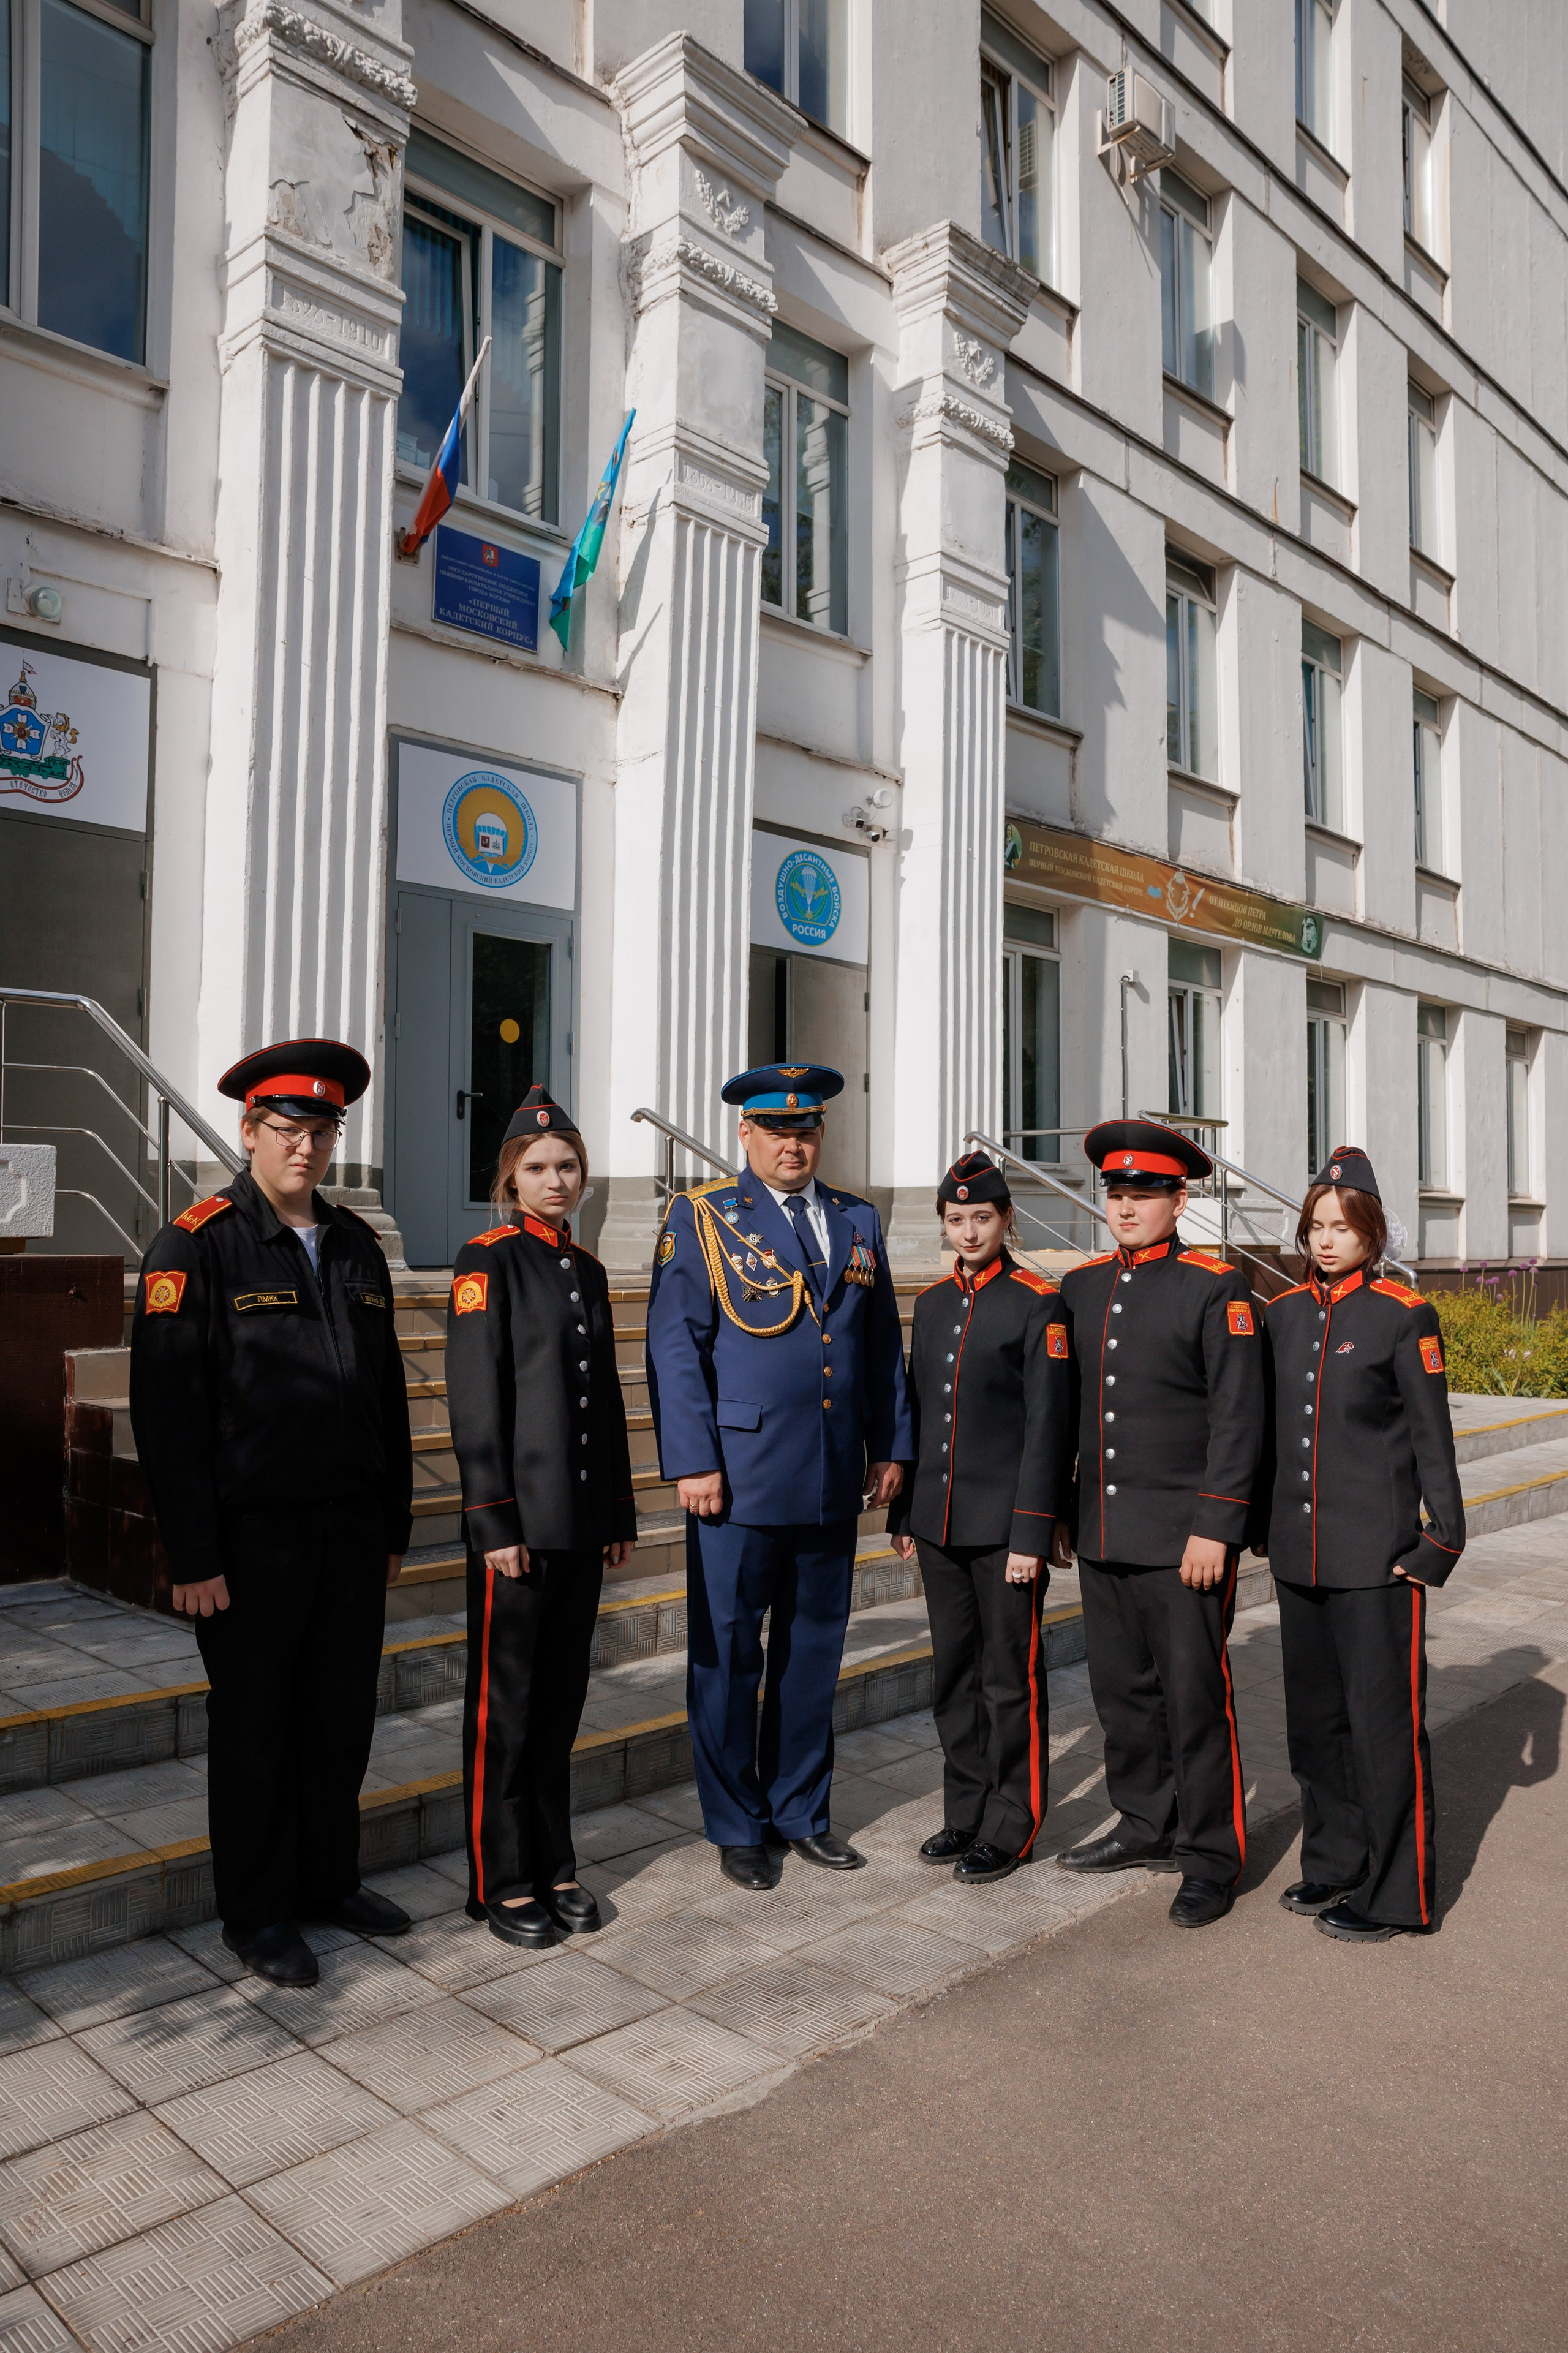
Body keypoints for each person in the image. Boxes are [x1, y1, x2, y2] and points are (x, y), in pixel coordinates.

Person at [129, 1038, 414, 1988]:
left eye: (323, 1129)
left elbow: (388, 1402)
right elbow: (168, 1413)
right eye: (288, 1128)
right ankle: (256, 1914)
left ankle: (327, 1881)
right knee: (255, 1729)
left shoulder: (355, 1243)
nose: (307, 1147)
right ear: (248, 1130)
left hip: (348, 1532)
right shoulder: (197, 1244)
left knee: (338, 1722)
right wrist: (193, 1551)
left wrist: (395, 1527)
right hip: (250, 1544)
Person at [646, 1063, 911, 1889]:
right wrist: (692, 1460)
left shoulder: (858, 1219)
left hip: (832, 1474)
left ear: (820, 1135)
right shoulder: (702, 1218)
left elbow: (876, 1349)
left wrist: (891, 1445)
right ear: (745, 1134)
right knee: (728, 1655)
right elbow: (675, 1347)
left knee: (812, 1654)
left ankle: (801, 1810)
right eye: (776, 1130)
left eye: (806, 1130)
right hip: (737, 1477)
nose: (792, 1144)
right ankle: (737, 1824)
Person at [1053, 1119, 1265, 1928]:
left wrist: (1217, 1526)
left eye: (1146, 1192)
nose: (1128, 1205)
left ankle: (1212, 1855)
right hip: (1106, 1531)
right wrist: (1064, 1512)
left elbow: (1237, 1419)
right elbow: (1072, 1416)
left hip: (1185, 1543)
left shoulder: (1216, 1289)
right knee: (1123, 1696)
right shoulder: (1081, 1287)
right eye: (1117, 1191)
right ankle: (1146, 1823)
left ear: (1181, 1198)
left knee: (1195, 1698)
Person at [445, 1085, 636, 1948]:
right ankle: (502, 1878)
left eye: (567, 1167)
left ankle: (556, 1862)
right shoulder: (485, 1261)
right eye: (538, 1168)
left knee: (559, 1708)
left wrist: (617, 1511)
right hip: (518, 1530)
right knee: (508, 1709)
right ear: (510, 1177)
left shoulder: (587, 1269)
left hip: (580, 1524)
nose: (555, 1180)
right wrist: (494, 1522)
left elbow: (604, 1403)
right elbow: (477, 1403)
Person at [1256, 1146, 1463, 1942]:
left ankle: (1397, 1894)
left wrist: (1438, 1543)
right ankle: (1336, 1863)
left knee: (1382, 1731)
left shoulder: (1403, 1315)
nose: (1327, 1239)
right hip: (1300, 1557)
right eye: (1317, 1226)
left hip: (1378, 1562)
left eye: (1343, 1227)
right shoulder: (1282, 1314)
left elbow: (1431, 1442)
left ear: (1373, 1232)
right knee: (1316, 1726)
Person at [888, 1152, 1073, 1884]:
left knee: (1009, 1679)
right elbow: (917, 1410)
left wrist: (1032, 1531)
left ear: (1007, 1220)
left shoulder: (1037, 1302)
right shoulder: (932, 1303)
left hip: (1004, 1531)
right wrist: (906, 1510)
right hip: (938, 1523)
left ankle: (1011, 1821)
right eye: (956, 1219)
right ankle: (963, 1810)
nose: (968, 1231)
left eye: (982, 1218)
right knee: (954, 1676)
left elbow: (1048, 1428)